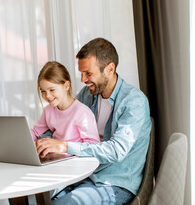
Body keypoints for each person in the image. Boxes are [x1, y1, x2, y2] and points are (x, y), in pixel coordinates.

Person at [35, 38, 152, 205]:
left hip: (114, 182)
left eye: (88, 73)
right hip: (82, 175)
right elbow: (62, 121)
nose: (82, 79)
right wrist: (43, 141)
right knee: (33, 198)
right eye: (81, 73)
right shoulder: (87, 95)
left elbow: (117, 151)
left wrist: (65, 146)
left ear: (110, 69)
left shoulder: (134, 102)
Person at [30, 61, 100, 144]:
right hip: (57, 155)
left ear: (66, 86)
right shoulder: (48, 111)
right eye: (43, 91)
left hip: (76, 156)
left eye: (52, 90)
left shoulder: (82, 112)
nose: (47, 96)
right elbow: (35, 132)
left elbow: (94, 145)